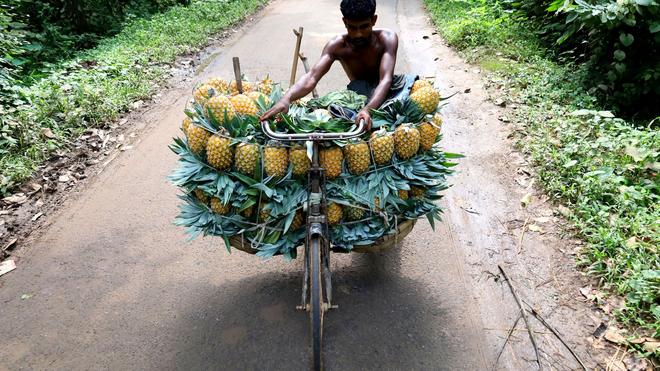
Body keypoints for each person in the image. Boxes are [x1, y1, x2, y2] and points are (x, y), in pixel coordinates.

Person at [260, 0, 405, 131]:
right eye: (352, 28)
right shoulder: (337, 46)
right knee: (334, 117)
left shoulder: (387, 39)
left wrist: (368, 110)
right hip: (358, 96)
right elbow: (311, 77)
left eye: (364, 26)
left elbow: (385, 79)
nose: (358, 34)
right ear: (344, 23)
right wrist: (287, 98)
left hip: (387, 91)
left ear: (373, 20)